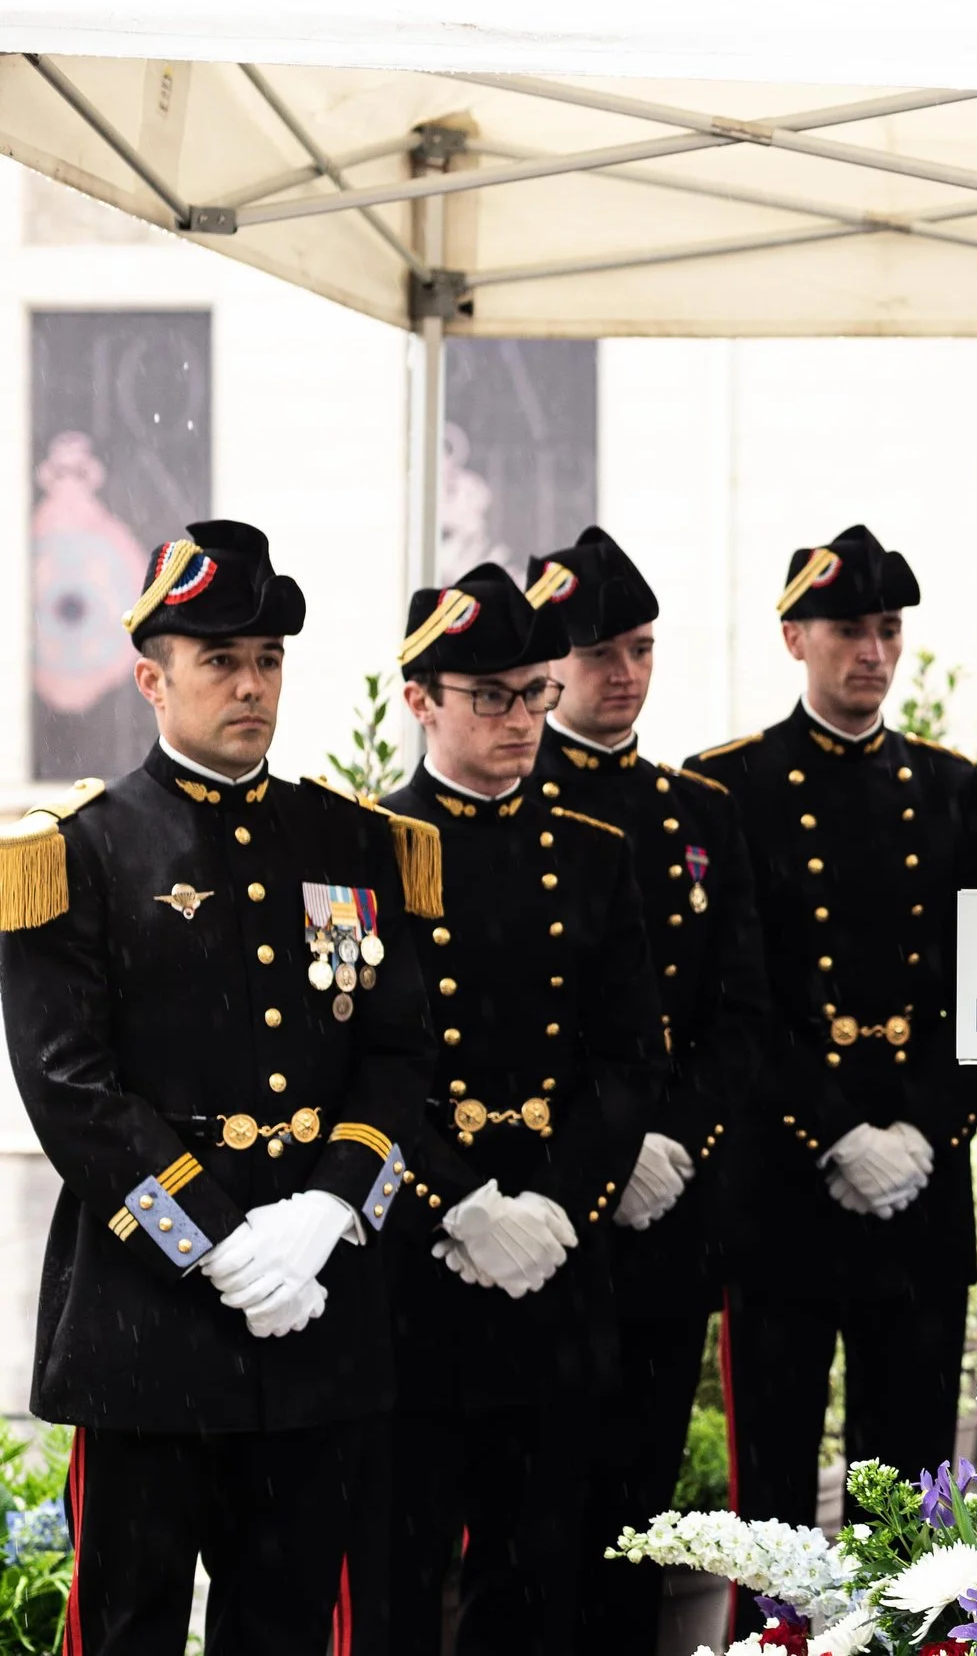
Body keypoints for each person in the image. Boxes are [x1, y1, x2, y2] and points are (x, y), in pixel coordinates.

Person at [0, 520, 434, 1656]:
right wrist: (223, 1242)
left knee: (284, 1626)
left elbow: (401, 1053)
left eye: (268, 659)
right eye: (220, 660)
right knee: (131, 1625)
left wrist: (331, 1204)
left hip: (315, 1311)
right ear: (151, 676)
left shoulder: (353, 840)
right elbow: (69, 1087)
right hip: (149, 1324)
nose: (251, 684)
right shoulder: (80, 850)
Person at [693, 525, 977, 1565]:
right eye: (845, 630)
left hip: (918, 1181)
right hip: (785, 1179)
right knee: (771, 1492)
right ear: (793, 638)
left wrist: (922, 1131)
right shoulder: (729, 784)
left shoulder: (950, 789)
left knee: (909, 1484)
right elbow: (734, 996)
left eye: (888, 628)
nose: (871, 651)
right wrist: (832, 1131)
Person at [380, 563, 667, 1656]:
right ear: (420, 700)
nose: (520, 719)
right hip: (421, 1267)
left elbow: (629, 1055)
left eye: (534, 691)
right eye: (489, 695)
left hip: (554, 1261)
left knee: (536, 1577)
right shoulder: (368, 848)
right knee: (403, 1576)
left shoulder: (592, 856)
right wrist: (452, 1206)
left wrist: (559, 1203)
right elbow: (359, 1065)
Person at [523, 528, 769, 1652]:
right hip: (539, 1214)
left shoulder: (699, 809)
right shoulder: (508, 805)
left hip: (668, 1208)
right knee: (531, 1517)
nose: (623, 674)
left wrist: (675, 1141)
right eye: (598, 652)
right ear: (548, 662)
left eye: (641, 649)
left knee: (638, 1508)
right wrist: (599, 1160)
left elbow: (738, 1013)